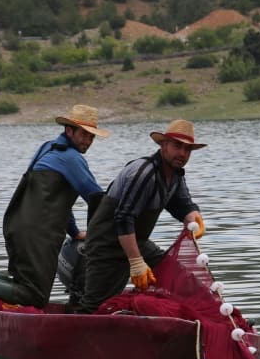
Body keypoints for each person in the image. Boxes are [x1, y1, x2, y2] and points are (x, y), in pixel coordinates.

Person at [0, 104, 109, 309]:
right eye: (84, 134)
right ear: (69, 130)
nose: (88, 141)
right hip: (37, 234)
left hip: (17, 225)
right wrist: (99, 235)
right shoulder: (71, 158)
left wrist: (73, 232)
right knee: (36, 296)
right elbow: (96, 197)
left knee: (26, 285)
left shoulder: (48, 147)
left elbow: (58, 201)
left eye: (92, 136)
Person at [78, 119, 206, 314]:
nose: (182, 153)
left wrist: (193, 216)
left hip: (137, 241)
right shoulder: (144, 173)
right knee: (95, 307)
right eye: (177, 146)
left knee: (176, 276)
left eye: (187, 149)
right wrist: (136, 262)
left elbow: (182, 204)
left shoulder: (176, 174)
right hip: (107, 243)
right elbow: (123, 218)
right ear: (163, 145)